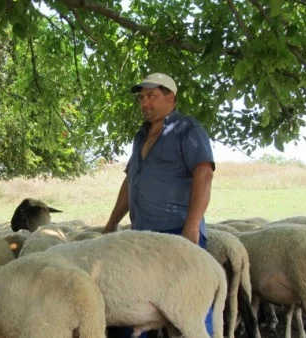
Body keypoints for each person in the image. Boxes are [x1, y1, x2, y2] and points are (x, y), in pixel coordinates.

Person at [103, 73, 215, 338]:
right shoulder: (140, 136)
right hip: (141, 239)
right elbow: (131, 181)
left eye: (151, 96)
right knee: (126, 310)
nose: (144, 103)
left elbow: (204, 174)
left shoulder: (188, 130)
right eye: (142, 97)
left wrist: (192, 227)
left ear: (170, 97)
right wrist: (112, 222)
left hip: (176, 234)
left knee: (189, 313)